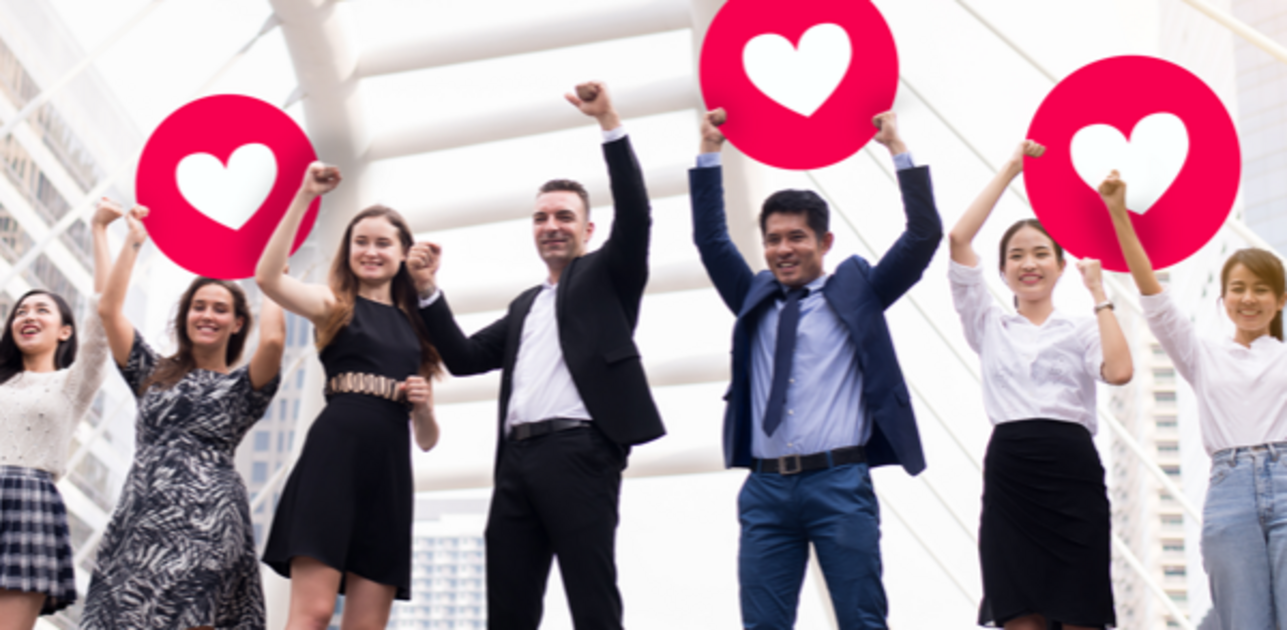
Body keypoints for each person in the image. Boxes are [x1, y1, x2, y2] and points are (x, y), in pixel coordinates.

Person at [407, 81, 663, 630]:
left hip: (580, 452)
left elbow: (637, 214)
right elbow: (464, 357)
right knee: (508, 608)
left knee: (591, 600)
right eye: (541, 217)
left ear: (588, 229)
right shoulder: (525, 306)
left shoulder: (607, 278)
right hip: (515, 462)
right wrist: (427, 289)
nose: (551, 226)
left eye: (564, 216)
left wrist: (609, 124)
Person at [689, 107, 940, 629]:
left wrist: (898, 149)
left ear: (825, 243)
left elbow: (922, 237)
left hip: (838, 484)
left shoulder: (858, 291)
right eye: (773, 239)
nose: (783, 249)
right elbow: (711, 240)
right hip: (765, 491)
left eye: (797, 237)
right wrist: (710, 151)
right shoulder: (752, 296)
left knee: (861, 621)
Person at [948, 142, 1132, 630]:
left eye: (1040, 254)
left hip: (1072, 473)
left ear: (1060, 265)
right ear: (1003, 271)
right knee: (1020, 614)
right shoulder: (988, 324)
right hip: (1012, 474)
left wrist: (1098, 292)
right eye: (1016, 256)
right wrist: (1011, 168)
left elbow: (1119, 371)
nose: (1028, 263)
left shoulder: (1082, 328)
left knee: (1080, 612)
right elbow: (959, 239)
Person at [80, 202, 286, 629]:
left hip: (208, 519)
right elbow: (108, 311)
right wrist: (133, 242)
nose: (207, 315)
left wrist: (272, 278)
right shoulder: (151, 373)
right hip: (142, 515)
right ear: (185, 315)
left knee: (192, 617)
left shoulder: (243, 388)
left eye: (220, 309)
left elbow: (272, 342)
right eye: (199, 306)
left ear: (237, 323)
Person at [1100, 170, 1287, 630]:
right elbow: (1155, 300)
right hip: (1230, 494)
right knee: (1244, 622)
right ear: (1223, 298)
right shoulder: (1202, 355)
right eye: (1238, 288)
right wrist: (1119, 214)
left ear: (1281, 300)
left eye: (1261, 289)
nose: (1249, 298)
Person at [258, 162, 441, 630]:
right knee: (314, 612)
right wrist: (305, 194)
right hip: (332, 461)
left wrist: (423, 407)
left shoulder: (420, 328)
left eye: (383, 243)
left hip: (389, 473)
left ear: (404, 253)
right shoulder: (334, 304)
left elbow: (426, 439)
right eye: (361, 241)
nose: (371, 251)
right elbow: (268, 279)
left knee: (366, 625)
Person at [0, 199, 117, 628]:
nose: (27, 316)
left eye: (41, 310)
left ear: (65, 331)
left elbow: (103, 319)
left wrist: (100, 231)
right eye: (20, 311)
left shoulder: (72, 384)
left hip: (29, 503)